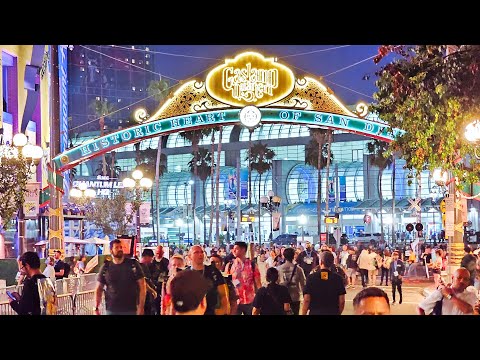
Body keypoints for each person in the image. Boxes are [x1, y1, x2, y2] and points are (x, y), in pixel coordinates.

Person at [94, 239, 146, 315]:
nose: (120, 249)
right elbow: (99, 288)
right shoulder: (106, 267)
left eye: (121, 247)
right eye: (117, 247)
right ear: (111, 251)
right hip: (111, 310)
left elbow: (142, 286)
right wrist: (95, 307)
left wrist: (141, 307)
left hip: (130, 310)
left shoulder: (133, 265)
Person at [185, 245, 230, 315]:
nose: (200, 254)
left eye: (202, 252)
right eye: (196, 252)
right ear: (189, 257)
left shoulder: (213, 271)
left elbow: (224, 294)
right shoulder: (185, 274)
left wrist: (223, 309)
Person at [301, 250, 346, 315]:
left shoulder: (311, 277)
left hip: (315, 312)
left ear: (321, 262)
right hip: (333, 312)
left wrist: (303, 313)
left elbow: (307, 299)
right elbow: (342, 301)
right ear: (332, 262)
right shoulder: (338, 278)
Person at [227, 241, 261, 315]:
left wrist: (260, 298)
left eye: (236, 249)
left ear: (243, 250)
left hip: (250, 300)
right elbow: (231, 282)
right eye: (233, 249)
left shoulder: (251, 265)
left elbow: (258, 283)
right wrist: (238, 284)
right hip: (236, 300)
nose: (234, 251)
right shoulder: (231, 265)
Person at [277, 247, 306, 315]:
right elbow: (303, 284)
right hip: (295, 297)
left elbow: (276, 283)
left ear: (284, 256)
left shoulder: (279, 269)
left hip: (282, 298)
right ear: (293, 256)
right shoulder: (299, 269)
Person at [151, 245, 169, 315]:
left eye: (160, 253)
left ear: (163, 253)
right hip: (153, 286)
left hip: (163, 285)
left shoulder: (166, 261)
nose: (158, 254)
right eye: (157, 253)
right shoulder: (151, 262)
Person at [139, 249, 158, 315]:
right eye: (151, 258)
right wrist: (152, 290)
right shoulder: (141, 267)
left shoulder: (142, 266)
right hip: (145, 298)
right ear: (146, 257)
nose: (151, 260)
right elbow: (144, 281)